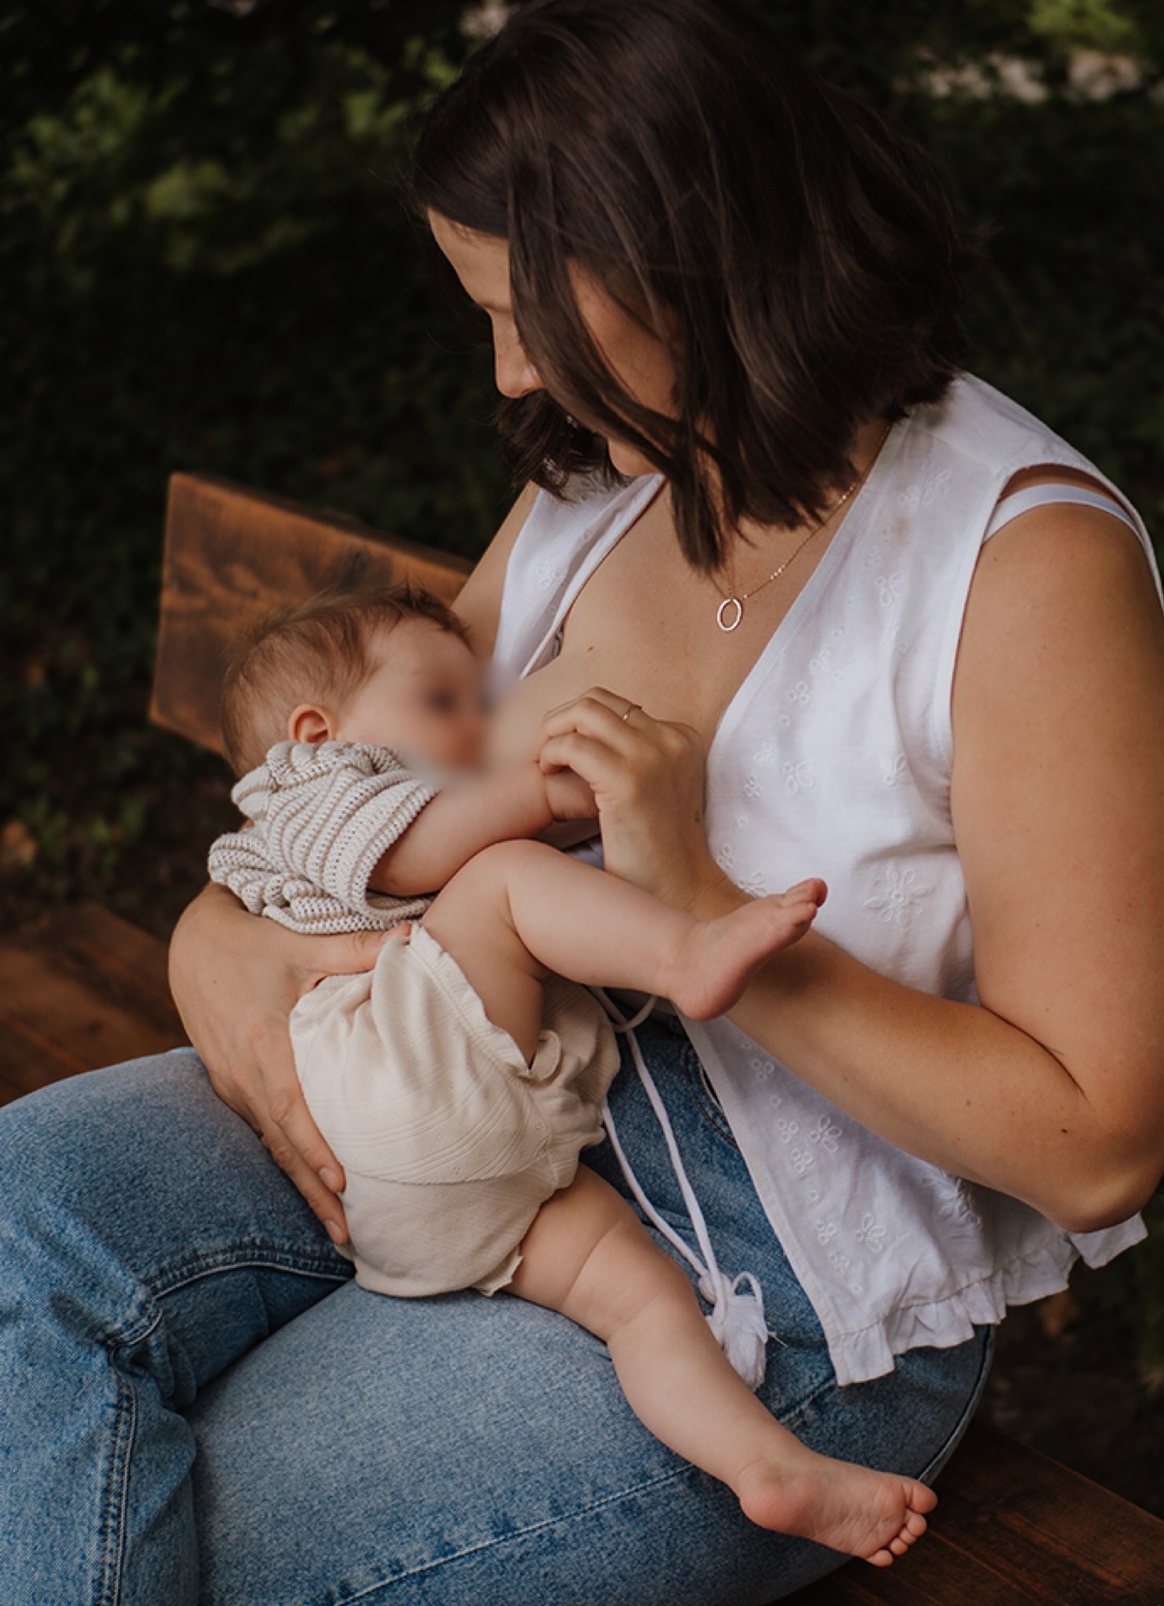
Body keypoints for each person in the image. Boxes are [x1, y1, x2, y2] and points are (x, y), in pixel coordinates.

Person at [0, 0, 1164, 1606]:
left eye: (528, 317)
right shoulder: (606, 480)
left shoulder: (1020, 559)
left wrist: (705, 913)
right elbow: (373, 799)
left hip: (752, 1283)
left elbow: (1097, 1143)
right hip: (444, 1077)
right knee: (20, 1241)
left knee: (198, 1518)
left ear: (683, 259)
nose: (509, 376)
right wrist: (217, 937)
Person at [204, 578, 935, 1565]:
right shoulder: (308, 800)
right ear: (315, 732)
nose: (477, 728)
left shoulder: (309, 821)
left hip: (416, 1209)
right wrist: (546, 797)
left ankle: (766, 1466)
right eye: (443, 701)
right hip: (394, 1072)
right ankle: (687, 953)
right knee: (499, 883)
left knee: (638, 1299)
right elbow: (419, 851)